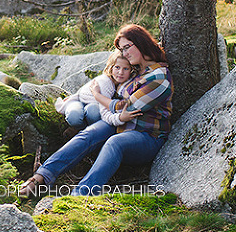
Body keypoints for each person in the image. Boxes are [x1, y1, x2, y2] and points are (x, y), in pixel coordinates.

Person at [19, 24, 173, 197]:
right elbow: (114, 91)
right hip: (122, 123)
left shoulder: (159, 77)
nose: (125, 53)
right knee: (89, 134)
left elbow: (126, 106)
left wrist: (97, 95)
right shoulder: (137, 70)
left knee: (115, 143)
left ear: (140, 42)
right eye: (122, 49)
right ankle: (41, 176)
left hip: (147, 136)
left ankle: (80, 194)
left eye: (127, 47)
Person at [54, 50, 137, 129]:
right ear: (111, 68)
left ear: (131, 70)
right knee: (74, 116)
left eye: (125, 68)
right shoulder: (106, 82)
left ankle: (91, 130)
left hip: (94, 105)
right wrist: (120, 118)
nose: (121, 72)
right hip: (79, 100)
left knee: (93, 112)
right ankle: (80, 130)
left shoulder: (126, 84)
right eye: (117, 67)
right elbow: (105, 113)